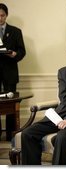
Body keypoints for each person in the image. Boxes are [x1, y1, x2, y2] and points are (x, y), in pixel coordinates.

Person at [0, 3, 26, 141]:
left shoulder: (15, 31)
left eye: (2, 15)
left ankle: (11, 134)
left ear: (6, 15)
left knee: (11, 103)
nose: (0, 18)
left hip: (10, 72)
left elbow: (23, 52)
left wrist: (15, 54)